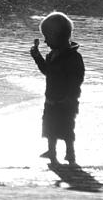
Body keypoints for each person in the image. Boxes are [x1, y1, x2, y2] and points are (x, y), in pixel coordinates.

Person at [30, 12, 85, 165]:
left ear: (58, 36)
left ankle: (70, 152)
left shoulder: (73, 57)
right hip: (51, 98)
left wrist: (70, 96)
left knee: (66, 126)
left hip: (67, 100)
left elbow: (77, 78)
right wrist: (37, 57)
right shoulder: (52, 55)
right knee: (49, 125)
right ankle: (51, 150)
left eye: (47, 37)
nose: (46, 41)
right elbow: (47, 72)